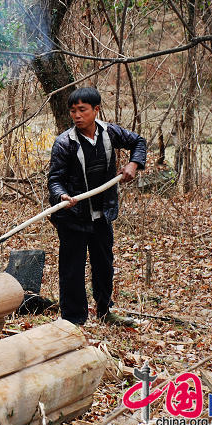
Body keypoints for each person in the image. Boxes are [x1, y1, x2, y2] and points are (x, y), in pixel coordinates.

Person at [47, 87, 146, 326]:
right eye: (73, 111)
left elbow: (139, 142)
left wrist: (133, 164)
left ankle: (105, 310)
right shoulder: (64, 143)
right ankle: (73, 319)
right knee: (72, 269)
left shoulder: (110, 133)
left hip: (102, 213)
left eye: (82, 110)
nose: (77, 115)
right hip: (73, 215)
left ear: (96, 110)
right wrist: (62, 196)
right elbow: (55, 179)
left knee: (103, 264)